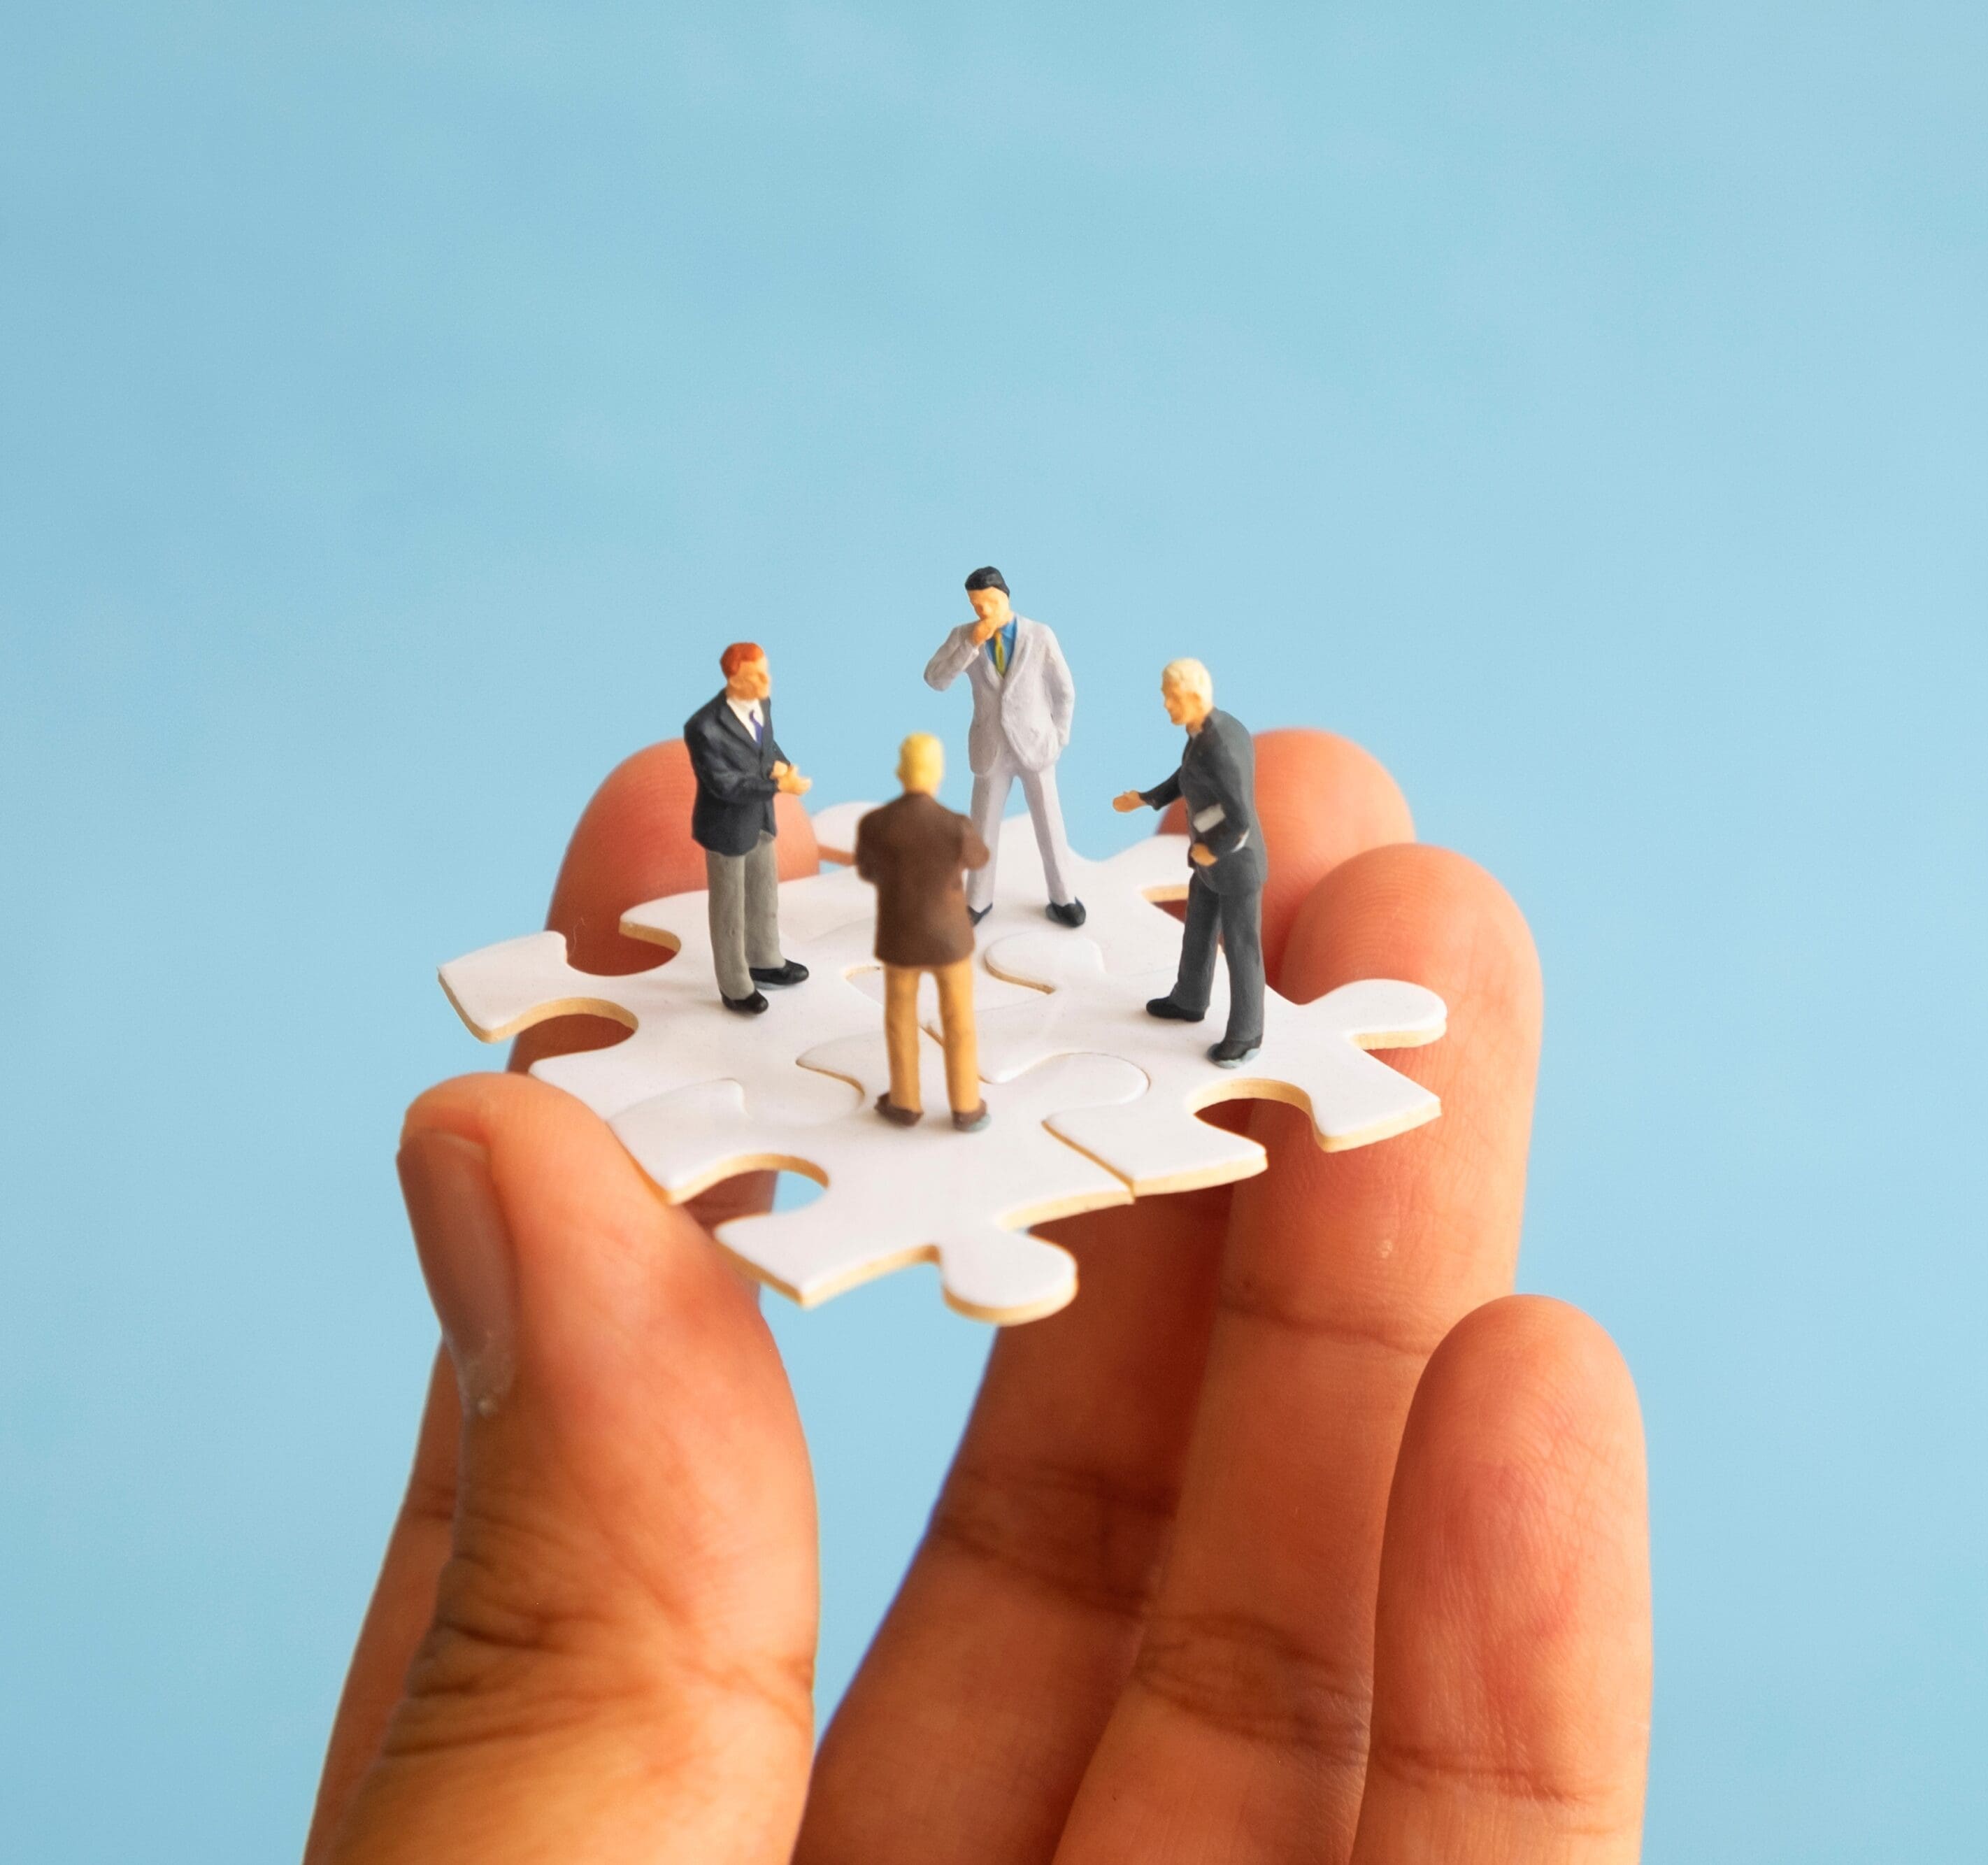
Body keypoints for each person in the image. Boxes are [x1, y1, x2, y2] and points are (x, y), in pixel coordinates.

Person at [306, 729, 1645, 1864]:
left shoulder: (943, 825)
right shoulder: (917, 830)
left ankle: (946, 1084)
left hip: (947, 958)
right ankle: (930, 1088)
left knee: (938, 1031)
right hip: (916, 957)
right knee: (916, 1032)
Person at [1113, 657, 1265, 1066]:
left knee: (1241, 948)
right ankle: (1190, 998)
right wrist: (1147, 799)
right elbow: (1187, 775)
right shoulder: (1202, 732)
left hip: (1235, 864)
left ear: (1195, 697)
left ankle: (1247, 1035)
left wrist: (1212, 849)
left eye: (1171, 697)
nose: (1165, 705)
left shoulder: (1221, 747)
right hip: (1207, 860)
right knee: (1197, 930)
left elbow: (1240, 820)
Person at [923, 566, 1084, 927]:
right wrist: (971, 645)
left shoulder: (1039, 635)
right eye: (976, 605)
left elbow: (1064, 691)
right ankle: (978, 901)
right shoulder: (964, 636)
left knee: (1050, 823)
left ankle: (1064, 897)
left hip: (1036, 745)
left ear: (1006, 596)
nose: (984, 612)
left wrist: (1059, 737)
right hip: (991, 746)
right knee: (983, 826)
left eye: (991, 603)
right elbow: (935, 678)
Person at [853, 734, 992, 1132]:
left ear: (901, 771)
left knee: (899, 1020)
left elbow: (866, 870)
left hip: (900, 939)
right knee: (960, 1023)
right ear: (938, 775)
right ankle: (967, 1107)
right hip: (950, 941)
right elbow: (980, 858)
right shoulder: (955, 825)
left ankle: (905, 1102)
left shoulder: (875, 824)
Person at [683, 642, 811, 1013]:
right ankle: (735, 985)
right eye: (755, 675)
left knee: (764, 894)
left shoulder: (762, 703)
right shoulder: (704, 727)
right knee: (730, 908)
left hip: (760, 819)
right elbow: (723, 784)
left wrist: (783, 767)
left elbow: (766, 748)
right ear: (734, 678)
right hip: (725, 827)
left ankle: (766, 959)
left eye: (766, 671)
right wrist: (777, 787)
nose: (765, 681)